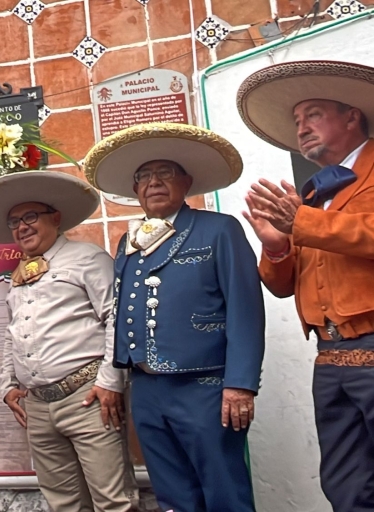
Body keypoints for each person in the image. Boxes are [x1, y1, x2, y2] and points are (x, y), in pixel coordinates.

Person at [84, 122, 266, 512]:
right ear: (135, 191)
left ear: (187, 182)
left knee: (224, 491)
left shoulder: (219, 229)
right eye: (144, 177)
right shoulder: (128, 243)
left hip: (205, 386)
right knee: (172, 496)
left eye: (165, 174)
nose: (154, 183)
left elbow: (246, 310)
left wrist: (240, 384)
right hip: (147, 389)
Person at [237, 60, 374, 511]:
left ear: (352, 115)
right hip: (330, 359)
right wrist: (276, 247)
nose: (302, 129)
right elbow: (283, 286)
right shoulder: (314, 195)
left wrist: (302, 222)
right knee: (344, 484)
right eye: (297, 121)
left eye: (313, 114)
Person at [0, 171, 139, 512]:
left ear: (55, 218)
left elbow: (117, 319)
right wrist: (8, 384)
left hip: (88, 399)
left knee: (114, 503)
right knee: (64, 505)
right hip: (39, 408)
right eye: (15, 221)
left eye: (30, 217)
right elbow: (11, 331)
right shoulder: (18, 276)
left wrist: (111, 383)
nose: (22, 227)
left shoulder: (88, 258)